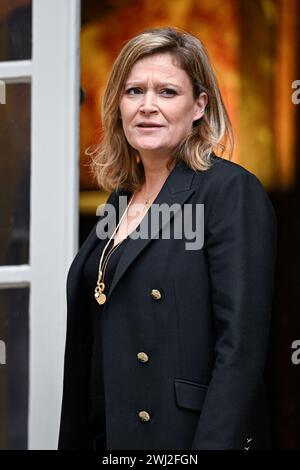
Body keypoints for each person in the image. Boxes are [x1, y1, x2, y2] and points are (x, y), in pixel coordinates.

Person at [58, 26, 277, 450]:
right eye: (134, 91)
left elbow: (240, 352)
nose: (148, 106)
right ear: (118, 106)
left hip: (182, 439)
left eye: (167, 92)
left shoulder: (229, 191)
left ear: (199, 106)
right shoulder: (120, 198)